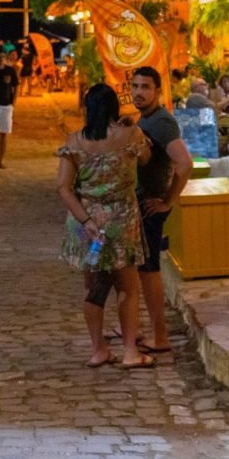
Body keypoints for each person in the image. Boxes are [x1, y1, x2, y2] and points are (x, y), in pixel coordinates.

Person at [55, 83, 154, 369]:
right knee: (128, 288)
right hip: (121, 221)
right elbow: (146, 159)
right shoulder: (131, 136)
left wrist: (86, 221)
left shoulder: (73, 142)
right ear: (114, 108)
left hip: (86, 225)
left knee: (95, 288)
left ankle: (98, 349)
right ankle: (130, 352)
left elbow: (63, 187)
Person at [131, 66, 193, 353]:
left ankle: (160, 335)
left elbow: (185, 163)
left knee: (149, 270)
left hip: (151, 206)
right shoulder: (146, 119)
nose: (139, 93)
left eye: (145, 87)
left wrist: (167, 201)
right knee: (142, 270)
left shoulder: (162, 123)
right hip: (142, 205)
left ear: (158, 91)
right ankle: (144, 328)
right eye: (135, 87)